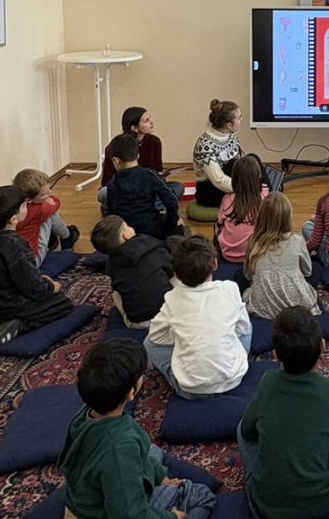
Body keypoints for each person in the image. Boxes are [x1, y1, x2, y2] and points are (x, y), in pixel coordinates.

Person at [237, 306, 329, 519]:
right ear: (323, 346)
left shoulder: (267, 382)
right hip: (321, 511)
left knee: (242, 426)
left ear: (275, 354)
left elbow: (248, 434)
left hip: (263, 508)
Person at [57, 338, 217, 519]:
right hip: (105, 512)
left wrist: (162, 478)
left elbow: (140, 452)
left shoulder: (87, 413)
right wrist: (172, 517)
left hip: (90, 492)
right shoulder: (119, 447)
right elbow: (129, 514)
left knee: (150, 450)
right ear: (131, 392)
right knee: (202, 495)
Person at [0, 186, 74, 354]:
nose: (27, 208)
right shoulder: (15, 246)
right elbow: (33, 288)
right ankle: (17, 325)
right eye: (24, 206)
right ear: (13, 219)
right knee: (63, 304)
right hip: (12, 305)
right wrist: (52, 286)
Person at [144, 236, 252, 399]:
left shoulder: (173, 298)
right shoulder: (230, 288)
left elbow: (156, 336)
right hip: (234, 378)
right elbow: (242, 328)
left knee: (148, 344)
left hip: (189, 389)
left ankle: (180, 371)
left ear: (177, 276)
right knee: (246, 326)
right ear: (215, 264)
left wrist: (182, 337)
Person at [242, 193, 320, 319]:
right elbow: (307, 271)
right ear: (288, 217)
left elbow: (247, 275)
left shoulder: (253, 241)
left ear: (261, 217)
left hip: (262, 308)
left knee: (239, 276)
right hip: (297, 305)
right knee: (316, 269)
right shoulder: (297, 239)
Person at [91, 215, 174, 329]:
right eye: (127, 225)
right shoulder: (150, 246)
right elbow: (170, 269)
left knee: (115, 294)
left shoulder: (111, 265)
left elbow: (118, 287)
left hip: (140, 322)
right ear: (126, 235)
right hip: (169, 313)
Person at [98, 107, 184, 212]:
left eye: (150, 119)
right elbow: (107, 182)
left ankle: (125, 211)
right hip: (123, 191)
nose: (151, 123)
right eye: (146, 121)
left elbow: (156, 171)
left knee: (178, 187)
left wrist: (161, 176)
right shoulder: (116, 146)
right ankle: (143, 209)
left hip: (145, 190)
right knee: (103, 193)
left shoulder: (154, 142)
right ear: (134, 128)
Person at [106, 133, 184, 242]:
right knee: (179, 222)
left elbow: (112, 214)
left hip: (126, 233)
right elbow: (171, 201)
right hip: (151, 230)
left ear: (116, 160)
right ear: (138, 155)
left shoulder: (112, 183)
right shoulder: (150, 175)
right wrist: (171, 225)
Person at [13, 168, 80, 265]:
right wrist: (49, 200)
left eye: (49, 189)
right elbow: (56, 202)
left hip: (12, 260)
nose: (50, 193)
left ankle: (54, 240)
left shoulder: (11, 207)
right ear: (28, 200)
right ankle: (67, 238)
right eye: (44, 194)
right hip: (32, 261)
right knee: (50, 214)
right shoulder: (38, 209)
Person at [216, 156, 268, 263]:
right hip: (253, 256)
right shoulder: (263, 199)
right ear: (258, 177)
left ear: (234, 179)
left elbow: (219, 225)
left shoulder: (227, 199)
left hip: (227, 254)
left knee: (217, 225)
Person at [193, 99, 244, 207]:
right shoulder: (205, 144)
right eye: (239, 118)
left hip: (231, 183)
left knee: (252, 159)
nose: (241, 120)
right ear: (229, 125)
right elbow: (218, 180)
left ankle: (270, 194)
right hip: (209, 190)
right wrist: (246, 189)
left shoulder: (231, 135)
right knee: (235, 163)